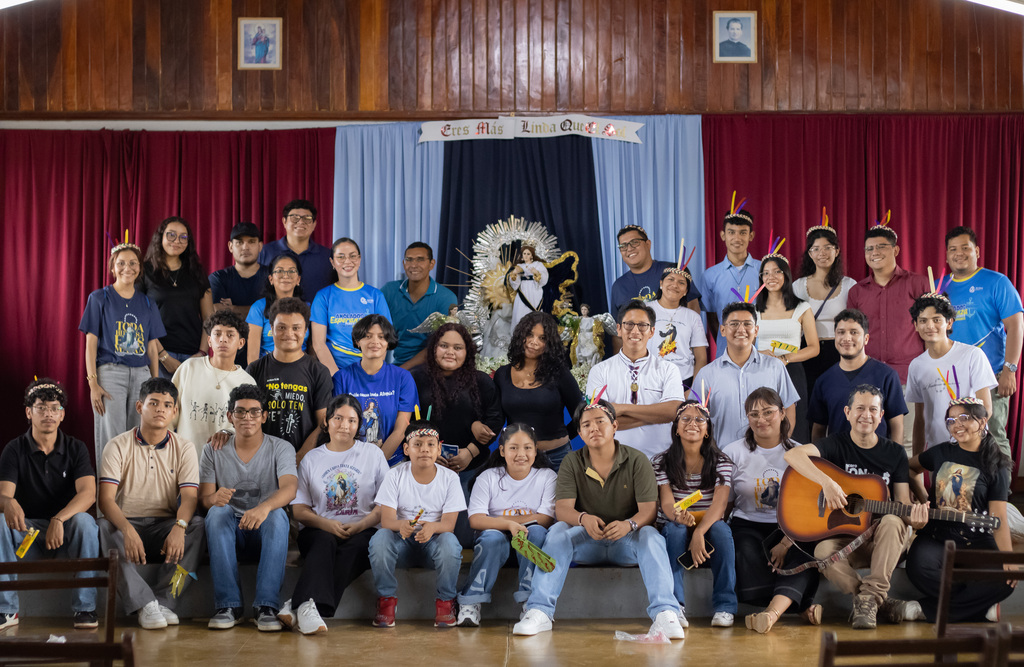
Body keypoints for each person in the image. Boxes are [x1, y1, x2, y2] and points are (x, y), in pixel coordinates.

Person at [512, 399, 684, 640]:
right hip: (586, 541)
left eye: (600, 421)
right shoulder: (572, 461)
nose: (594, 428)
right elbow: (562, 509)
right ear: (580, 433)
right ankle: (539, 610)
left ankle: (666, 612)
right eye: (586, 424)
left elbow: (649, 511)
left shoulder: (637, 460)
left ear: (615, 426)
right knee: (558, 530)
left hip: (626, 542)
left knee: (651, 535)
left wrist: (629, 524)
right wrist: (583, 519)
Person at [784, 385, 920, 630]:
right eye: (859, 408)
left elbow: (902, 503)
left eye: (872, 409)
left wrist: (916, 520)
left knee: (892, 519)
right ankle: (878, 602)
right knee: (822, 551)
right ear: (847, 412)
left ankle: (869, 598)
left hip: (884, 540)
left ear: (881, 415)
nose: (865, 415)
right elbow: (793, 456)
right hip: (847, 540)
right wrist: (827, 483)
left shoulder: (895, 453)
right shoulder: (835, 444)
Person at [97, 378, 205, 630]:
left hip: (164, 527)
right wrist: (127, 530)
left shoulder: (184, 447)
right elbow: (105, 500)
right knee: (101, 527)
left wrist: (179, 526)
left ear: (175, 411)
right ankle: (144, 604)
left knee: (197, 526)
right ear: (139, 407)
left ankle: (164, 601)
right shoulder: (117, 445)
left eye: (168, 405)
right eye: (153, 403)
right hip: (126, 525)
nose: (160, 409)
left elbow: (189, 497)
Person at [277, 395, 390, 635]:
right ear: (327, 421)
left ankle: (300, 605)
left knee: (353, 549)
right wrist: (326, 524)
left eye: (351, 420)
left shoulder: (373, 454)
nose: (344, 425)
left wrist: (361, 526)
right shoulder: (311, 459)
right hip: (318, 530)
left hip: (364, 529)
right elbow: (299, 510)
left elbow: (385, 505)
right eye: (338, 418)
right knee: (324, 542)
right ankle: (307, 607)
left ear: (359, 425)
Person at [901, 398, 1014, 623]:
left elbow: (998, 516)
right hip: (937, 537)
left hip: (977, 541)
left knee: (1007, 579)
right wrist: (923, 498)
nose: (956, 425)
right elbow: (910, 469)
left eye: (964, 418)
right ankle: (980, 608)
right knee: (919, 568)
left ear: (982, 422)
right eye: (951, 420)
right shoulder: (941, 453)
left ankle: (923, 610)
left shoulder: (997, 464)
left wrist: (1006, 557)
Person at [0, 379, 99, 630]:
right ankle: (6, 610)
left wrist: (59, 519)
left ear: (62, 414)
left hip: (66, 535)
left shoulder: (76, 448)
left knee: (86, 522)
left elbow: (88, 494)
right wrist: (7, 503)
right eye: (41, 408)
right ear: (28, 412)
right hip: (28, 535)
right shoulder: (14, 449)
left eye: (55, 408)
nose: (48, 414)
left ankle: (85, 609)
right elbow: (4, 495)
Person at [722, 388, 820, 634]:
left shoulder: (800, 452)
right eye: (754, 414)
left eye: (768, 412)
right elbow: (728, 503)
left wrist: (787, 542)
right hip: (747, 523)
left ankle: (771, 613)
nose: (761, 419)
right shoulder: (733, 451)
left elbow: (809, 506)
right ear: (747, 417)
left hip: (790, 525)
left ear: (783, 413)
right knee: (744, 550)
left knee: (806, 552)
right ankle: (801, 605)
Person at [200, 384, 296, 631]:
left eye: (254, 412)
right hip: (231, 531)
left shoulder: (281, 447)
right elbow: (205, 498)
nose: (247, 418)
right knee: (216, 513)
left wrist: (263, 508)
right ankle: (228, 606)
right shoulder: (213, 449)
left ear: (264, 416)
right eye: (240, 412)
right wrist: (214, 499)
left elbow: (289, 489)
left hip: (266, 531)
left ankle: (267, 606)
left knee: (277, 515)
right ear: (230, 416)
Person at [456, 423, 556, 627]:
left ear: (536, 451)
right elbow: (475, 519)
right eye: (513, 448)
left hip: (528, 537)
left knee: (536, 531)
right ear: (502, 451)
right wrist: (508, 525)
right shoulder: (488, 478)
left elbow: (545, 518)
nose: (521, 454)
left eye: (528, 447)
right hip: (495, 540)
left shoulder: (547, 476)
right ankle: (471, 602)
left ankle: (532, 603)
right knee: (491, 537)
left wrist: (511, 524)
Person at [411, 323, 503, 545]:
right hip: (426, 468)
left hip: (469, 469)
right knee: (424, 537)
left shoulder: (481, 382)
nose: (450, 352)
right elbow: (408, 421)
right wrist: (429, 452)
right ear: (433, 348)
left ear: (468, 351)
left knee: (463, 538)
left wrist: (470, 452)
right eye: (444, 345)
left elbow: (495, 420)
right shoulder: (416, 378)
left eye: (458, 347)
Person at [369, 421, 466, 628]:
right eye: (418, 444)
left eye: (431, 444)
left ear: (439, 449)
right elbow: (386, 521)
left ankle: (446, 602)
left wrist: (432, 527)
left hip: (434, 545)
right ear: (406, 448)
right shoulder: (394, 475)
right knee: (380, 538)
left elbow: (448, 525)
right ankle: (386, 600)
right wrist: (402, 525)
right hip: (402, 544)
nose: (424, 450)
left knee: (450, 541)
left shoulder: (450, 478)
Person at [847, 221, 930, 450]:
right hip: (869, 376)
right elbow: (853, 337)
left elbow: (931, 329)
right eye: (869, 249)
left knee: (907, 441)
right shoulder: (857, 291)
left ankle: (907, 487)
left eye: (881, 247)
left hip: (908, 375)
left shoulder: (918, 283)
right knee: (871, 440)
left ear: (895, 250)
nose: (874, 253)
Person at [943, 225, 1023, 460]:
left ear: (976, 250)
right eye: (953, 249)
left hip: (992, 378)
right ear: (947, 255)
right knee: (956, 437)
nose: (959, 253)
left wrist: (1010, 369)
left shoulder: (997, 282)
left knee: (993, 436)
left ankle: (1001, 494)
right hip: (952, 378)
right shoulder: (939, 286)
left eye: (965, 248)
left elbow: (1016, 326)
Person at [80, 241, 165, 463]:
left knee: (140, 434)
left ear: (140, 268)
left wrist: (154, 382)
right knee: (112, 436)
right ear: (112, 267)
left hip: (141, 374)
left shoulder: (147, 302)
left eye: (133, 263)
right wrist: (93, 384)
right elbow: (91, 343)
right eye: (121, 263)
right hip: (110, 372)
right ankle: (108, 496)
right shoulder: (99, 298)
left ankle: (132, 494)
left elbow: (151, 345)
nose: (127, 268)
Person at [655, 400, 737, 628]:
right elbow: (667, 502)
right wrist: (678, 516)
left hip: (709, 522)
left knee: (722, 530)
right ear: (676, 428)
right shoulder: (661, 461)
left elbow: (720, 506)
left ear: (708, 430)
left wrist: (700, 532)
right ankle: (675, 606)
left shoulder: (722, 461)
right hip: (677, 520)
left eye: (700, 419)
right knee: (676, 529)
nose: (693, 424)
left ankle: (725, 606)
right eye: (686, 419)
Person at [586, 300, 686, 461]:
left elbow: (673, 412)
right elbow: (597, 420)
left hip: (661, 461)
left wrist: (621, 409)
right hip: (614, 461)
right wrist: (655, 416)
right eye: (629, 324)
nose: (635, 331)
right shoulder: (600, 371)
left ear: (652, 331)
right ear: (619, 329)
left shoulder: (668, 369)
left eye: (642, 325)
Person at [905, 293, 997, 457]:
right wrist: (917, 462)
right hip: (938, 451)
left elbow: (986, 408)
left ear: (949, 322)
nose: (930, 326)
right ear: (916, 325)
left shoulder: (972, 355)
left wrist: (965, 438)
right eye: (923, 320)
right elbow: (920, 419)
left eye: (936, 319)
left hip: (972, 448)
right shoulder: (916, 365)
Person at [694, 302, 798, 444]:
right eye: (734, 324)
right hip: (723, 458)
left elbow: (789, 408)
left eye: (747, 324)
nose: (741, 329)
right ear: (723, 330)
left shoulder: (775, 367)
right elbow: (696, 418)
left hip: (766, 458)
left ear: (756, 330)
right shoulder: (706, 374)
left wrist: (779, 445)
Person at [493, 312, 584, 471]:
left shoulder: (560, 373)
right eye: (529, 335)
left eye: (542, 338)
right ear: (520, 335)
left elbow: (581, 415)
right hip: (518, 458)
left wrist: (561, 438)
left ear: (549, 343)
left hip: (558, 457)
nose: (534, 342)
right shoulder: (502, 375)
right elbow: (497, 419)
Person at [246, 297, 332, 460]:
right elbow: (246, 418)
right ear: (271, 329)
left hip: (305, 461)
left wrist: (299, 457)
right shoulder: (255, 369)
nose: (289, 334)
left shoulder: (319, 372)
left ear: (306, 330)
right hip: (261, 459)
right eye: (282, 327)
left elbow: (323, 424)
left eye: (296, 328)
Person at [808, 309, 907, 441]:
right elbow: (818, 431)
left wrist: (896, 459)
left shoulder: (887, 376)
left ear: (866, 338)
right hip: (836, 459)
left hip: (878, 459)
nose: (847, 338)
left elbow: (896, 425)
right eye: (841, 332)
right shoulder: (824, 381)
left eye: (854, 332)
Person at [333, 315, 417, 466]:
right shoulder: (341, 377)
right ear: (358, 341)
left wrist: (375, 463)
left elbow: (401, 428)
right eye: (367, 336)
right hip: (350, 461)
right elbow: (339, 425)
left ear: (388, 342)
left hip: (393, 462)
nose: (375, 342)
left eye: (381, 336)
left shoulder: (403, 378)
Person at [753, 253, 819, 442]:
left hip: (792, 369)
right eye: (765, 273)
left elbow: (814, 348)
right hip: (761, 368)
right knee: (763, 417)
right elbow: (744, 346)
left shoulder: (802, 307)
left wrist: (785, 359)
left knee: (794, 423)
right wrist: (759, 354)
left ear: (786, 275)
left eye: (776, 272)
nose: (770, 277)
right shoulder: (754, 308)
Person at [172, 310, 254, 460]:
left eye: (230, 335)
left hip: (224, 464)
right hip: (183, 460)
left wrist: (227, 432)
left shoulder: (247, 382)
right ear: (209, 340)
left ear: (241, 343)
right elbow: (170, 415)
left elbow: (249, 427)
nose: (223, 339)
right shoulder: (188, 368)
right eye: (217, 334)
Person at [610, 225, 702, 353]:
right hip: (638, 360)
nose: (629, 248)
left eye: (634, 242)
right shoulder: (619, 286)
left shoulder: (672, 271)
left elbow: (693, 308)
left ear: (648, 244)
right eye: (623, 246)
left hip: (675, 353)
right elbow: (617, 333)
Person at [142, 216, 214, 379]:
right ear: (160, 237)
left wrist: (202, 353)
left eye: (183, 237)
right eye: (171, 235)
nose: (177, 241)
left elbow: (209, 318)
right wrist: (164, 356)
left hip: (193, 356)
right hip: (157, 355)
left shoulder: (197, 272)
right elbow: (141, 319)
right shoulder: (145, 271)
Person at [793, 218, 858, 398]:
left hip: (841, 351)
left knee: (841, 403)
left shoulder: (850, 285)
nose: (822, 253)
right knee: (811, 406)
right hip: (808, 353)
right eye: (816, 249)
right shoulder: (798, 286)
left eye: (828, 247)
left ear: (836, 251)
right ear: (810, 253)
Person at [311, 237, 392, 375]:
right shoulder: (323, 296)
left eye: (352, 256)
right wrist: (337, 376)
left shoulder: (375, 296)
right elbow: (319, 344)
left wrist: (371, 372)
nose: (347, 261)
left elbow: (385, 338)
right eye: (340, 257)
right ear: (332, 262)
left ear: (359, 259)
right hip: (334, 371)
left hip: (369, 371)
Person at [381, 242, 458, 370]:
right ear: (403, 263)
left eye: (420, 260)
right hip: (398, 365)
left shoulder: (447, 298)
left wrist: (401, 372)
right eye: (409, 260)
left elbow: (441, 345)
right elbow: (376, 332)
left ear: (431, 264)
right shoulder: (389, 290)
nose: (414, 265)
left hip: (433, 368)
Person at [697, 201, 760, 356]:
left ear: (751, 235)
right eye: (731, 232)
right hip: (725, 351)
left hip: (760, 349)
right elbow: (712, 317)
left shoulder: (764, 270)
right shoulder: (710, 275)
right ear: (723, 235)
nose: (737, 238)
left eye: (743, 232)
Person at [209, 222, 269, 366]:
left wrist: (234, 309)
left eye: (251, 242)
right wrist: (261, 311)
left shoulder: (272, 277)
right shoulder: (218, 278)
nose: (245, 247)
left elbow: (274, 312)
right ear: (230, 246)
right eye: (239, 242)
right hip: (228, 353)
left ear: (260, 246)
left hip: (267, 352)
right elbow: (220, 312)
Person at [258, 199, 333, 299]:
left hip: (317, 314)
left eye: (307, 218)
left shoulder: (327, 256)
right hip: (273, 313)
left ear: (314, 224)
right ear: (284, 221)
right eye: (295, 218)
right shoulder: (265, 252)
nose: (301, 222)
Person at [648, 267, 708, 386]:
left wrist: (693, 390)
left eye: (681, 283)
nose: (675, 285)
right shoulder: (645, 310)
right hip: (650, 381)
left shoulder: (693, 317)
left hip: (684, 381)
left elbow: (701, 358)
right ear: (661, 283)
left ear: (686, 291)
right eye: (670, 279)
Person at [246, 254, 308, 364]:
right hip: (267, 369)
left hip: (301, 369)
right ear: (271, 279)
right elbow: (252, 356)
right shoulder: (258, 308)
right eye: (279, 271)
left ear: (298, 279)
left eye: (291, 271)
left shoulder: (307, 308)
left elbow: (313, 348)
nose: (285, 275)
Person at [506, 245, 548, 334]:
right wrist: (514, 274)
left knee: (534, 311)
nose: (526, 255)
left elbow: (544, 277)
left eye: (528, 254)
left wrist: (536, 273)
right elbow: (515, 283)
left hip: (534, 290)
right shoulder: (519, 266)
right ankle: (520, 336)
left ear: (532, 255)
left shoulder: (538, 265)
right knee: (521, 312)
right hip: (523, 291)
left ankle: (536, 333)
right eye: (524, 253)